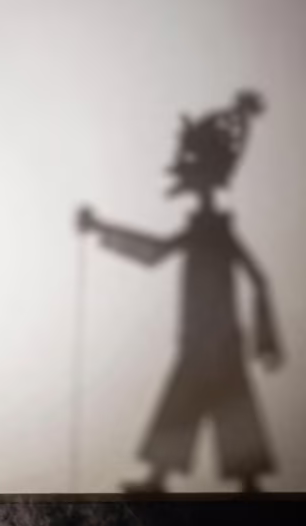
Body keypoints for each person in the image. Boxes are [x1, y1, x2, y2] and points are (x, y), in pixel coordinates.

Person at [77, 91, 282, 493]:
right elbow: (155, 253)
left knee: (210, 405)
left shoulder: (215, 231)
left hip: (216, 340)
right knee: (203, 404)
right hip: (204, 338)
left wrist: (266, 339)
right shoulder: (205, 230)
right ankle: (212, 480)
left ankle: (228, 481)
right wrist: (102, 229)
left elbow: (256, 278)